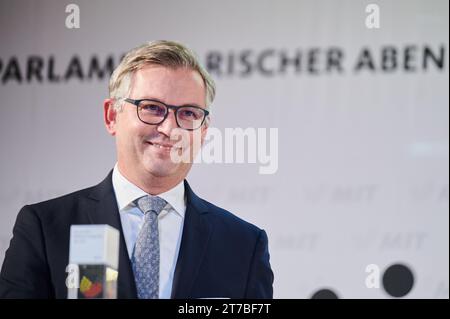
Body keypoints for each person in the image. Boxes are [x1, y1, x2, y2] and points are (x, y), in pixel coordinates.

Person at [0, 40, 274, 299]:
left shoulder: (244, 245)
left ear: (203, 131)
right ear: (111, 116)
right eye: (152, 108)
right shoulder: (45, 228)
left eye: (189, 113)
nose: (169, 129)